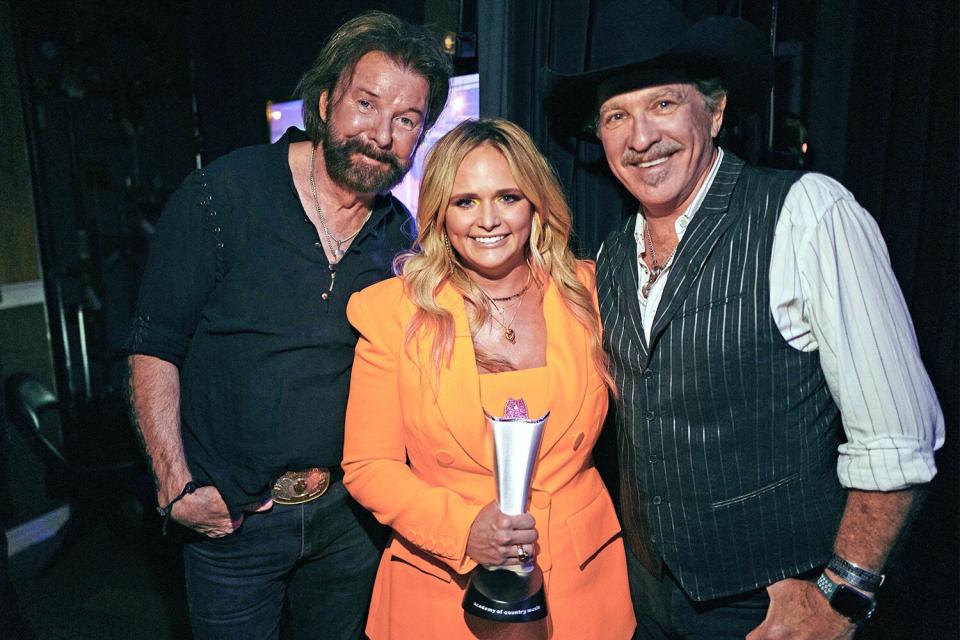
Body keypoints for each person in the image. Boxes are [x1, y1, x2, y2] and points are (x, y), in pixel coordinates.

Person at [541, 1, 944, 638]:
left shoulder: (808, 213)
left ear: (717, 110)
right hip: (644, 599)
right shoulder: (613, 253)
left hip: (771, 606)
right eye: (617, 115)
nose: (640, 137)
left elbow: (899, 441)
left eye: (664, 105)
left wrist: (842, 594)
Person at [126, 11, 451, 639]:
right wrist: (177, 486)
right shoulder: (222, 195)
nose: (381, 134)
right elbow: (153, 346)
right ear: (326, 101)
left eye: (407, 120)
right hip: (235, 523)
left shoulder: (398, 236)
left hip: (349, 524)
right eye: (366, 103)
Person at [341, 118, 636, 639]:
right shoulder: (392, 312)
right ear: (439, 213)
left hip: (580, 586)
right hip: (441, 587)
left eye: (507, 196)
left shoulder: (590, 293)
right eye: (465, 201)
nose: (488, 220)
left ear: (535, 204)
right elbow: (368, 466)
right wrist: (464, 530)